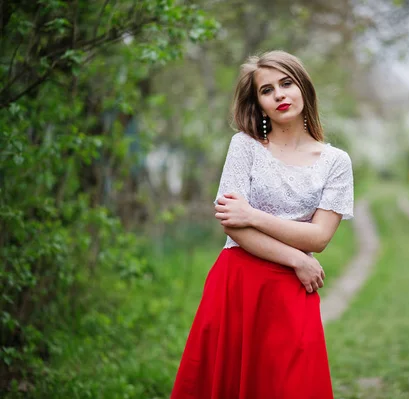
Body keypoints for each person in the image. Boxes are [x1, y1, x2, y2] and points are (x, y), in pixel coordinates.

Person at [170, 50, 354, 399]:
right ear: (259, 104)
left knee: (289, 387)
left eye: (286, 83)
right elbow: (232, 225)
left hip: (292, 291)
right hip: (237, 284)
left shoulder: (335, 162)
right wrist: (298, 259)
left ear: (304, 87)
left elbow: (318, 237)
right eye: (267, 90)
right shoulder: (245, 147)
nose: (279, 94)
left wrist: (253, 215)